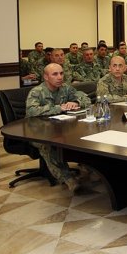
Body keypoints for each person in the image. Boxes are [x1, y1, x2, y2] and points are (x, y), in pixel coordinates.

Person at [26, 63, 91, 193]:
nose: (60, 77)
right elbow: (32, 111)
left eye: (61, 73)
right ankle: (68, 179)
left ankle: (88, 168)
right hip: (37, 132)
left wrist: (76, 102)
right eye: (55, 74)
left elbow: (86, 99)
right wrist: (58, 108)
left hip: (60, 128)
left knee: (83, 136)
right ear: (46, 77)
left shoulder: (65, 88)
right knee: (48, 144)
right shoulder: (36, 92)